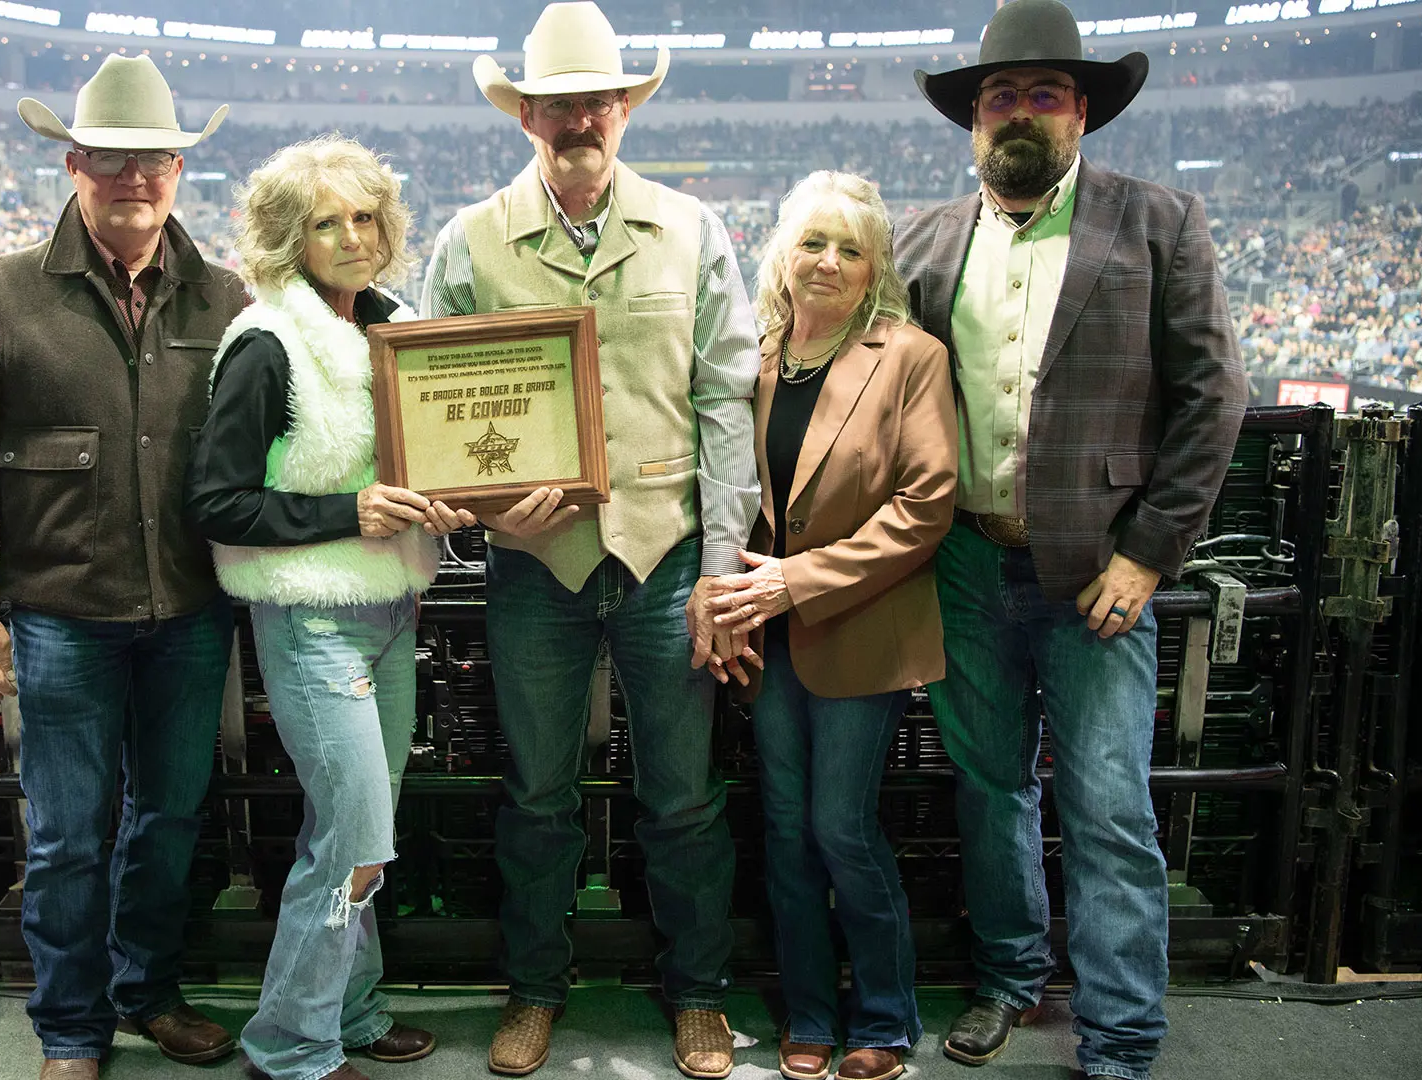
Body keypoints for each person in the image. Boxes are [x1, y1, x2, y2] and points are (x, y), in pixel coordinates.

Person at [893, 3, 1247, 1077]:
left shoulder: (1160, 222)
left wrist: (1149, 553)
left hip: (1101, 572)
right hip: (964, 560)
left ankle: (1122, 1035)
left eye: (1043, 94)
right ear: (973, 120)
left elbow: (1215, 397)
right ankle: (1009, 979)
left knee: (1108, 808)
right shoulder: (922, 240)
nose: (1019, 112)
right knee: (990, 788)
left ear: (1081, 112)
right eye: (1000, 95)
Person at [423, 4, 761, 1076]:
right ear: (525, 115)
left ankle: (698, 994)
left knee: (684, 797)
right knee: (536, 796)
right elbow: (435, 417)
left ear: (624, 109)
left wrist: (722, 571)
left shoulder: (691, 229)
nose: (581, 118)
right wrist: (487, 513)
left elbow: (724, 404)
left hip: (670, 561)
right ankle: (534, 990)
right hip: (536, 566)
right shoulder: (468, 241)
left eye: (599, 101)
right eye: (560, 103)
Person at [0, 56, 248, 1080]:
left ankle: (147, 992)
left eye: (154, 159)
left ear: (180, 169)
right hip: (59, 613)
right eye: (109, 157)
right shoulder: (6, 288)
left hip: (191, 610)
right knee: (64, 838)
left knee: (169, 821)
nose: (132, 176)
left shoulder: (227, 297)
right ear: (73, 164)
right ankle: (70, 1026)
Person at [185, 134, 460, 1080]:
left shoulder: (399, 327)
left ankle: (353, 1011)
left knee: (356, 833)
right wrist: (353, 511)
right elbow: (215, 502)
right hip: (311, 620)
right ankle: (290, 1045)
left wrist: (451, 499)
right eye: (326, 223)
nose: (353, 237)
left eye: (365, 217)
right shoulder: (267, 341)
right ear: (288, 239)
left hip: (392, 611)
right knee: (355, 843)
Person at [704, 172, 956, 1080]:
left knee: (842, 827)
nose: (828, 262)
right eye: (813, 242)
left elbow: (925, 504)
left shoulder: (911, 356)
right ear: (783, 253)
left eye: (851, 249)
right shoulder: (756, 354)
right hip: (767, 636)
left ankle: (884, 1019)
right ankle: (810, 1011)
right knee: (784, 829)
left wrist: (795, 584)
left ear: (875, 268)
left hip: (859, 624)